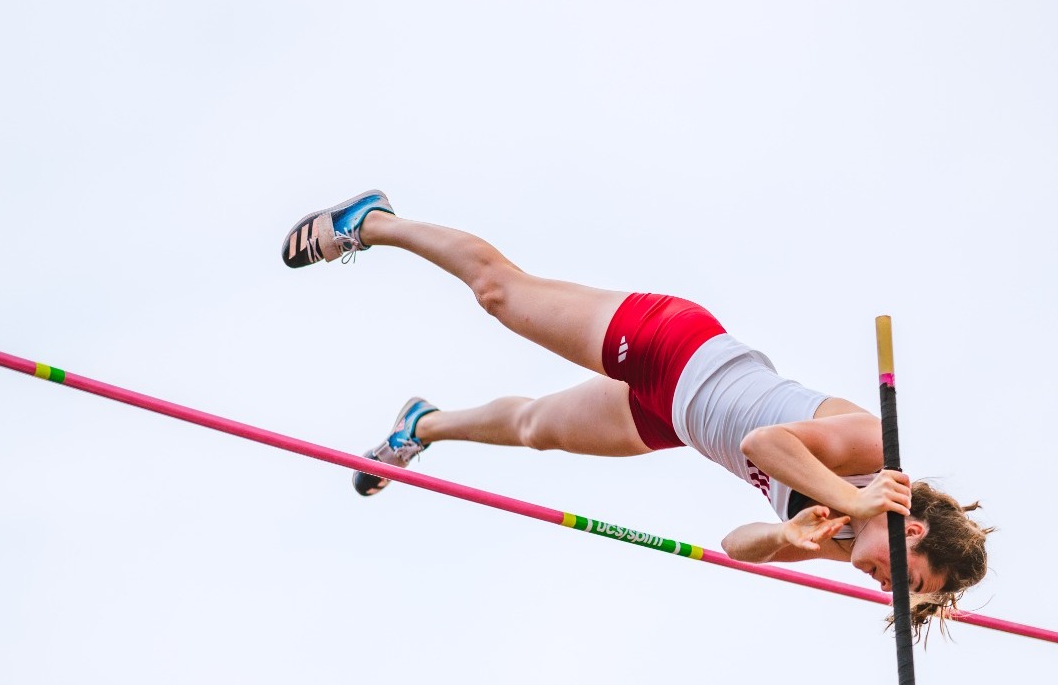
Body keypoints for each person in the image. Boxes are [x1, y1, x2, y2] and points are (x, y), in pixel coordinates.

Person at [282, 189, 992, 626]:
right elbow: (767, 443)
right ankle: (370, 221)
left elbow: (735, 546)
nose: (885, 588)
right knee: (500, 293)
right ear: (914, 527)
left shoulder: (848, 535)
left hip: (672, 418)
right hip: (674, 347)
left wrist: (787, 538)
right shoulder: (873, 452)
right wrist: (850, 502)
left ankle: (419, 426)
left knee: (535, 429)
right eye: (909, 580)